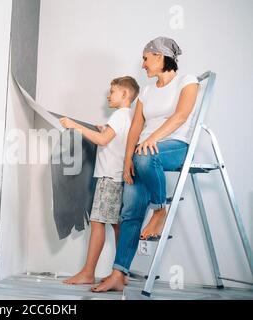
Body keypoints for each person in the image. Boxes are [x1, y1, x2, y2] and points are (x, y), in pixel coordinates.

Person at [94, 36, 200, 292]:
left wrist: (151, 140)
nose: (142, 64)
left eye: (145, 58)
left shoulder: (187, 81)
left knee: (144, 155)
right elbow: (134, 131)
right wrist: (129, 157)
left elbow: (181, 116)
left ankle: (159, 210)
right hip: (144, 152)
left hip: (175, 146)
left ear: (160, 56)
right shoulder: (147, 92)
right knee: (129, 211)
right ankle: (118, 275)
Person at [59, 76, 140, 289]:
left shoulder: (119, 115)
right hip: (118, 177)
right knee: (117, 225)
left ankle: (88, 273)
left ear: (125, 94)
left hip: (109, 177)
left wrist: (74, 125)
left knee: (97, 224)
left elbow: (103, 142)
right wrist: (104, 130)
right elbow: (116, 140)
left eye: (112, 91)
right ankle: (121, 274)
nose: (108, 95)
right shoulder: (131, 116)